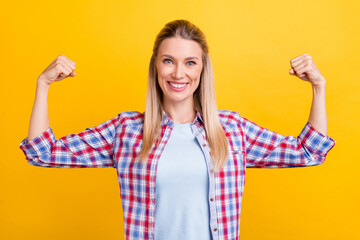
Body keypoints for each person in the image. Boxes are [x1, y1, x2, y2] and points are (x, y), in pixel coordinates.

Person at [19, 19, 336, 240]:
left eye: (190, 62)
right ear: (156, 66)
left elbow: (309, 152)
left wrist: (318, 88)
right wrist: (43, 85)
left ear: (202, 68)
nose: (178, 73)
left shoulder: (232, 130)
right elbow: (42, 153)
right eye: (168, 61)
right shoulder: (127, 131)